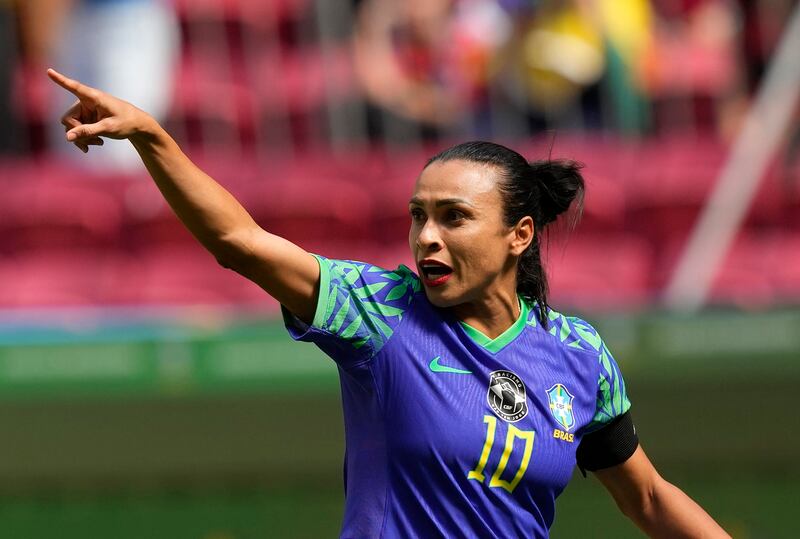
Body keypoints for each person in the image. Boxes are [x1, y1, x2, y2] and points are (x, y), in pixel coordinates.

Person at [47, 68, 730, 538]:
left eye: (454, 217)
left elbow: (647, 497)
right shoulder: (379, 312)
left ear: (519, 235)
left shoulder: (578, 354)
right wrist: (152, 137)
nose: (427, 236)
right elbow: (239, 242)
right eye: (418, 216)